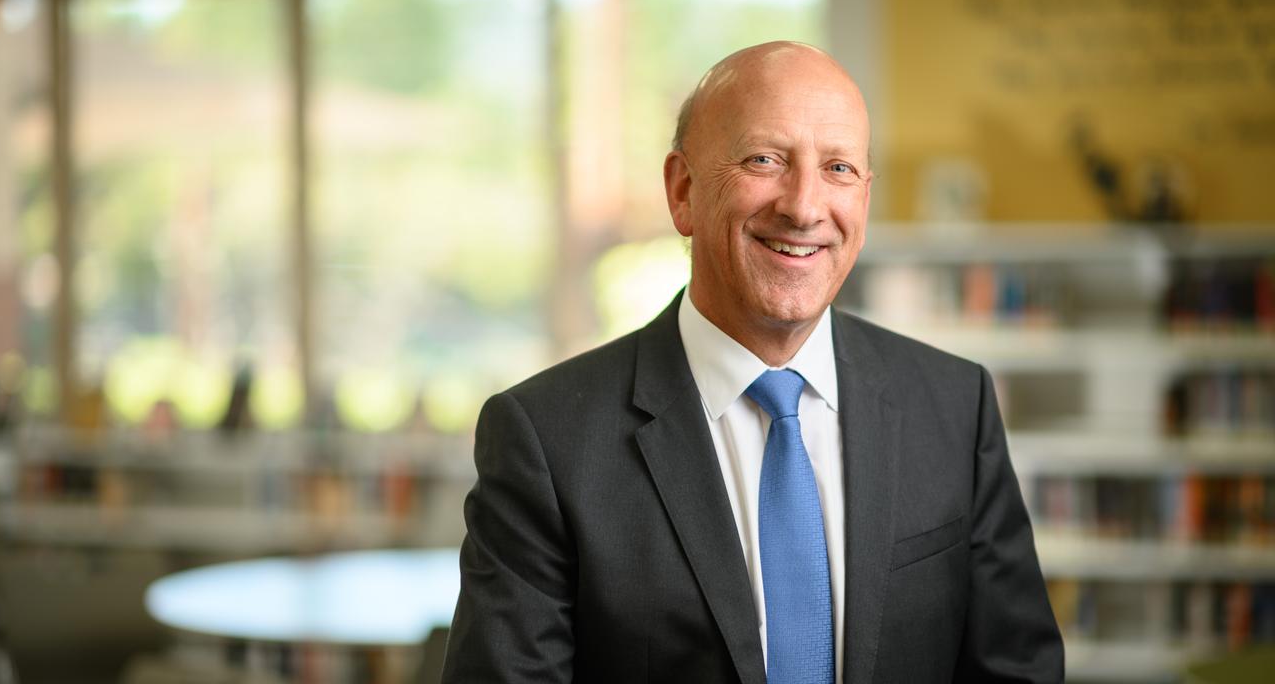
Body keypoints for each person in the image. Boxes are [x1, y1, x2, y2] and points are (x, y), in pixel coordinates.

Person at [442, 41, 1064, 683]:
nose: (803, 206)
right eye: (764, 160)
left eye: (839, 169)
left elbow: (1018, 671)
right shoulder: (546, 439)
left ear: (865, 198)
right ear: (682, 191)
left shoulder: (955, 406)